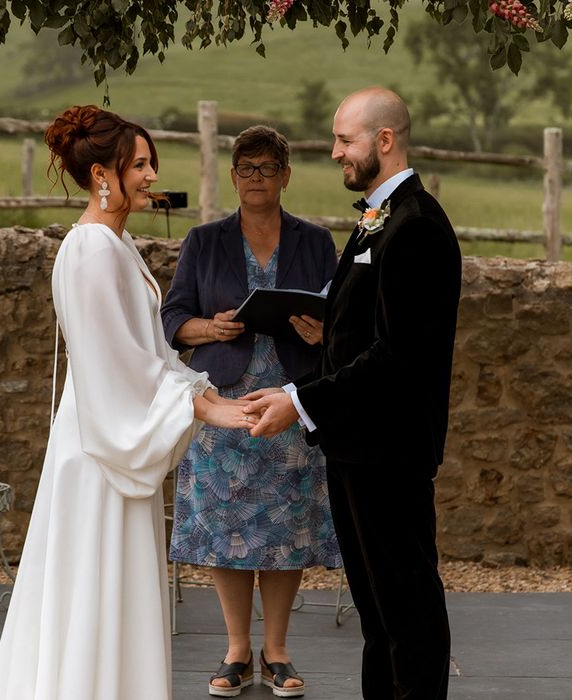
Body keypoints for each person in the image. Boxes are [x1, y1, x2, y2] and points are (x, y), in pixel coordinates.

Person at [0, 105, 257, 700]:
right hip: (101, 454)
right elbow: (116, 366)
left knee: (109, 600)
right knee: (95, 595)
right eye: (138, 164)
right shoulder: (92, 251)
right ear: (102, 174)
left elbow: (148, 352)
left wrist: (203, 394)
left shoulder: (115, 243)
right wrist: (202, 406)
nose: (152, 174)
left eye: (151, 161)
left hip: (109, 441)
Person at [243, 88, 462, 699]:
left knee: (407, 609)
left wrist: (300, 402)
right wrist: (305, 368)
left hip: (390, 453)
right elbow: (363, 334)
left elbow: (398, 357)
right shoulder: (379, 218)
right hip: (357, 449)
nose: (335, 151)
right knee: (377, 614)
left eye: (345, 140)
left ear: (383, 141)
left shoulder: (415, 227)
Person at [161, 125, 342, 698]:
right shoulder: (204, 241)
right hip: (225, 406)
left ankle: (278, 650)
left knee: (285, 529)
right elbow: (171, 321)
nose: (255, 178)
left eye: (267, 168)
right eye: (245, 168)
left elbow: (344, 319)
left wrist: (323, 333)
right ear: (233, 176)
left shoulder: (315, 242)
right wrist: (207, 327)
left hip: (291, 403)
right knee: (226, 529)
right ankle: (238, 650)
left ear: (286, 175)